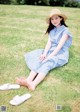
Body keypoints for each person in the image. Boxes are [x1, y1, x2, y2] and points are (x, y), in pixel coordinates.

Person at [16, 9, 72, 91]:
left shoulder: (65, 31)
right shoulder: (52, 30)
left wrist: (49, 57)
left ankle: (33, 84)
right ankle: (28, 80)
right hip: (51, 50)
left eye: (56, 18)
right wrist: (45, 54)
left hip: (60, 53)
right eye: (52, 19)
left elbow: (59, 47)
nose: (54, 21)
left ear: (61, 18)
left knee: (47, 63)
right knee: (40, 59)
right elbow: (49, 43)